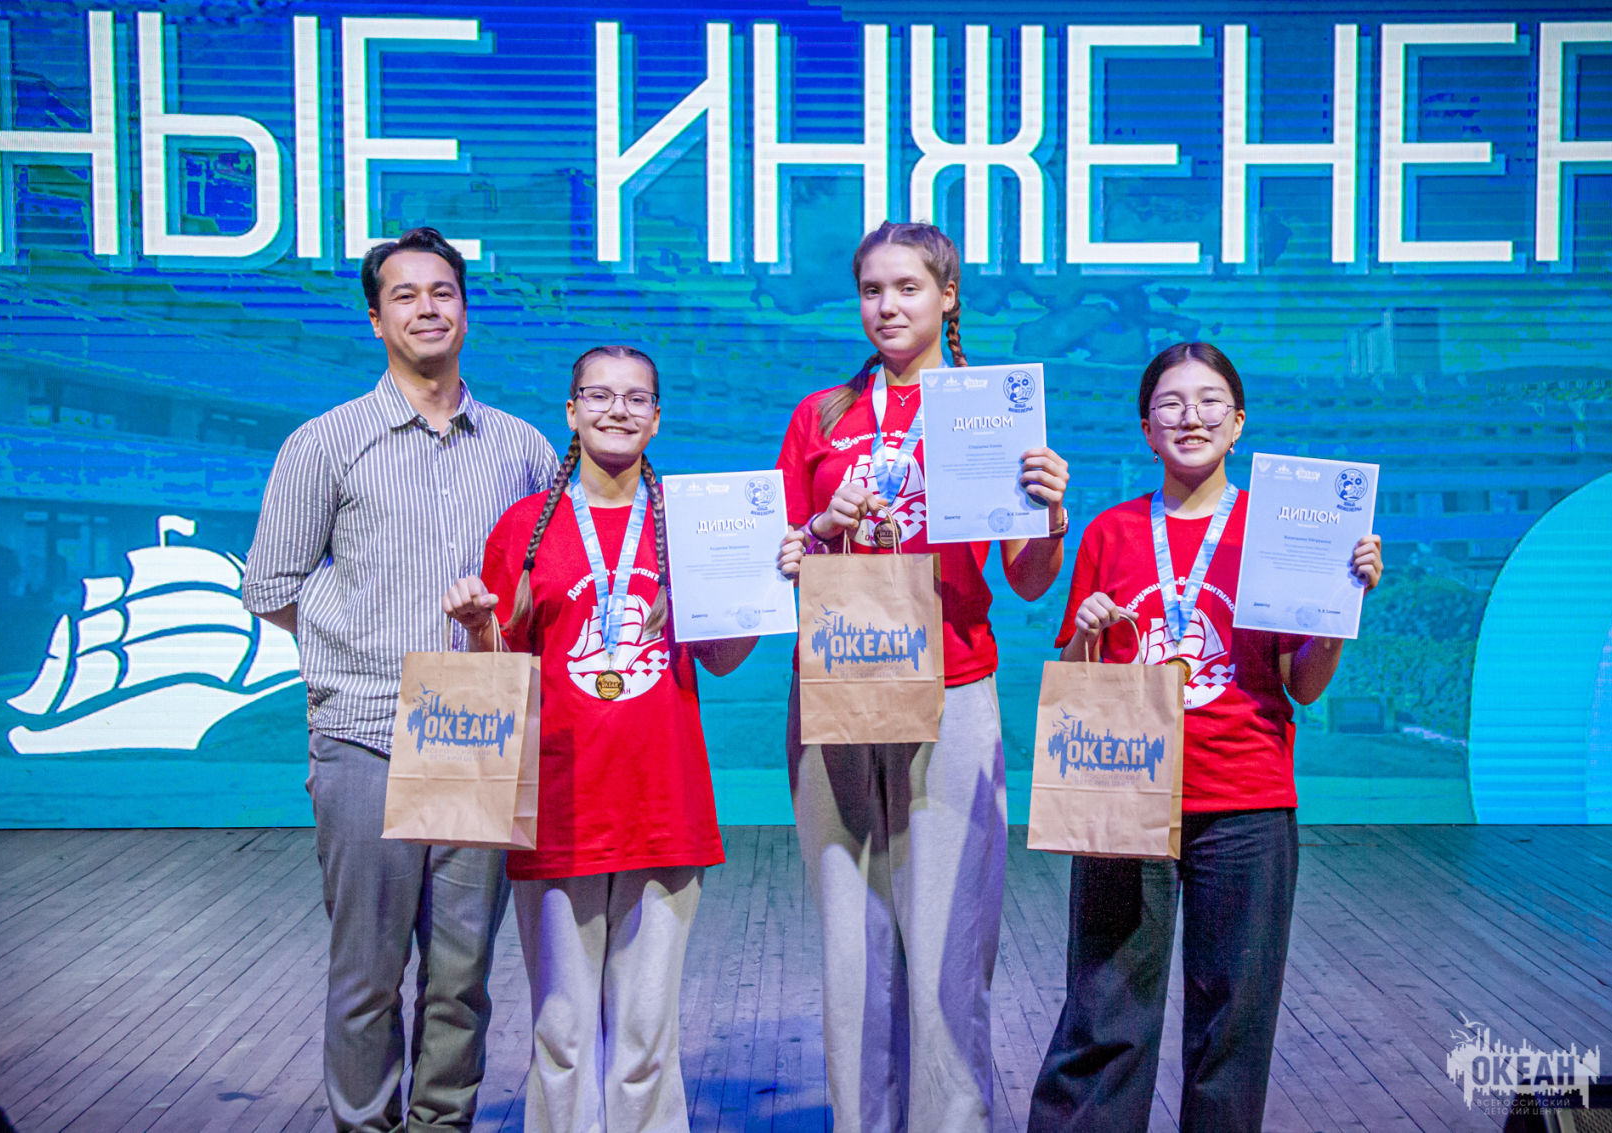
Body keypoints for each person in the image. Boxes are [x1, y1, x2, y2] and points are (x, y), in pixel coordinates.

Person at [242, 227, 559, 1133]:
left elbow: (544, 582)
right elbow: (269, 586)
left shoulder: (523, 447)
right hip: (366, 732)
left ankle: (441, 1124)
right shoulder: (326, 442)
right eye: (406, 295)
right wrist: (358, 645)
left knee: (461, 978)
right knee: (367, 976)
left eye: (443, 292)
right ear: (376, 319)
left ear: (466, 310)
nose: (428, 308)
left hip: (478, 733)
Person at [441, 345, 805, 1133]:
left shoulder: (694, 523)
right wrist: (475, 627)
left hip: (663, 807)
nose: (617, 410)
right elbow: (499, 673)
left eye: (636, 398)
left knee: (645, 1040)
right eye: (599, 396)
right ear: (571, 411)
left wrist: (759, 589)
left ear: (657, 417)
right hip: (558, 810)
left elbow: (721, 657)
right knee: (563, 1035)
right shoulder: (525, 528)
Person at [1026, 342, 1385, 1133]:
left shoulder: (1279, 529)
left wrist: (1338, 612)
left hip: (1247, 799)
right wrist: (1085, 633)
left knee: (1234, 1024)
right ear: (1146, 428)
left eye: (1210, 401)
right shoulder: (1112, 532)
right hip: (1126, 797)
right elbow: (1081, 685)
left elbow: (1302, 685)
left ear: (1239, 421)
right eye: (1171, 403)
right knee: (1105, 1010)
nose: (1191, 417)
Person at [775, 220, 1071, 1133]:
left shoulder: (990, 413)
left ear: (948, 296)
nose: (887, 306)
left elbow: (1026, 579)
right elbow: (779, 558)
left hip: (952, 686)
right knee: (851, 944)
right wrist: (819, 529)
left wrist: (1050, 515)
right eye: (872, 290)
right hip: (837, 683)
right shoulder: (821, 417)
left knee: (948, 943)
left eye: (907, 287)